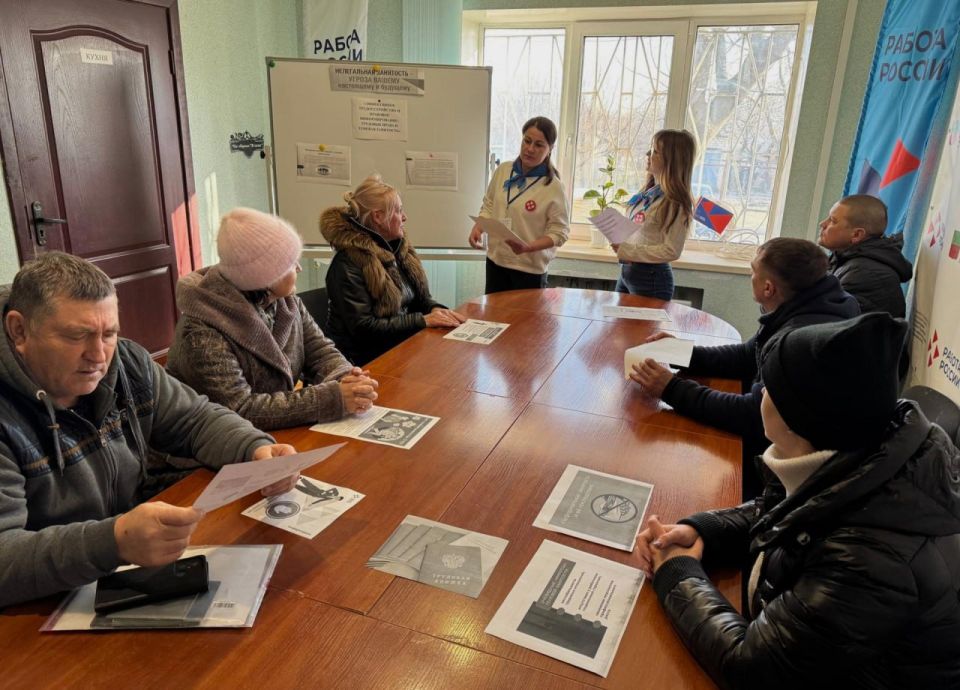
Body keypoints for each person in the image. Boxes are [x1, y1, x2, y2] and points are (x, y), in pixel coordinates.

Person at [636, 312, 960, 688]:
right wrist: (703, 531)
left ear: (797, 419)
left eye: (767, 388)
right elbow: (787, 514)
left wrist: (676, 571)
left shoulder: (871, 558)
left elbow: (752, 669)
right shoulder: (851, 457)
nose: (758, 394)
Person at [0, 252, 299, 607]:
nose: (98, 355)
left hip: (115, 573)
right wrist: (113, 542)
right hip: (35, 609)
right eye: (76, 336)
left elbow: (196, 419)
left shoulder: (127, 363)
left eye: (109, 333)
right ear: (19, 330)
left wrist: (255, 450)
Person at [630, 238, 859, 497]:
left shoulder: (798, 340)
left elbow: (753, 416)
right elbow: (748, 355)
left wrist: (671, 388)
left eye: (752, 271)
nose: (750, 276)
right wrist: (683, 353)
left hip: (782, 469)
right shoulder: (810, 304)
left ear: (768, 288)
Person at [166, 208, 378, 430]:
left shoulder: (285, 301)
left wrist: (349, 379)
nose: (299, 267)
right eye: (290, 263)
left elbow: (320, 351)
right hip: (208, 451)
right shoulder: (201, 331)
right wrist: (333, 399)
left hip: (269, 436)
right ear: (264, 275)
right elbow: (240, 410)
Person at [321, 174, 465, 365]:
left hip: (398, 347)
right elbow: (364, 329)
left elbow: (420, 299)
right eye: (399, 211)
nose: (405, 217)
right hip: (361, 362)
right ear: (378, 217)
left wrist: (435, 309)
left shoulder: (398, 248)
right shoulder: (348, 264)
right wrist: (423, 321)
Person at [468, 116, 570, 294]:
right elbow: (489, 204)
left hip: (529, 270)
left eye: (539, 145)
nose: (530, 149)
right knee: (493, 318)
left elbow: (559, 233)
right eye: (527, 141)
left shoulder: (553, 186)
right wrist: (479, 226)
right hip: (496, 262)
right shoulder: (503, 171)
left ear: (550, 149)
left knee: (524, 322)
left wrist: (528, 247)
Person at [612, 129, 696, 301]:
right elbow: (644, 232)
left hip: (651, 278)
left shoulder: (676, 203)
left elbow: (671, 250)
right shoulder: (648, 193)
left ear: (671, 161)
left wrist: (628, 249)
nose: (648, 154)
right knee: (617, 323)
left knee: (643, 328)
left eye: (655, 151)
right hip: (629, 271)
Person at [818, 194, 913, 317]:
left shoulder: (864, 273)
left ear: (857, 235)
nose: (822, 224)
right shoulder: (845, 260)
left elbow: (828, 324)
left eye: (833, 220)